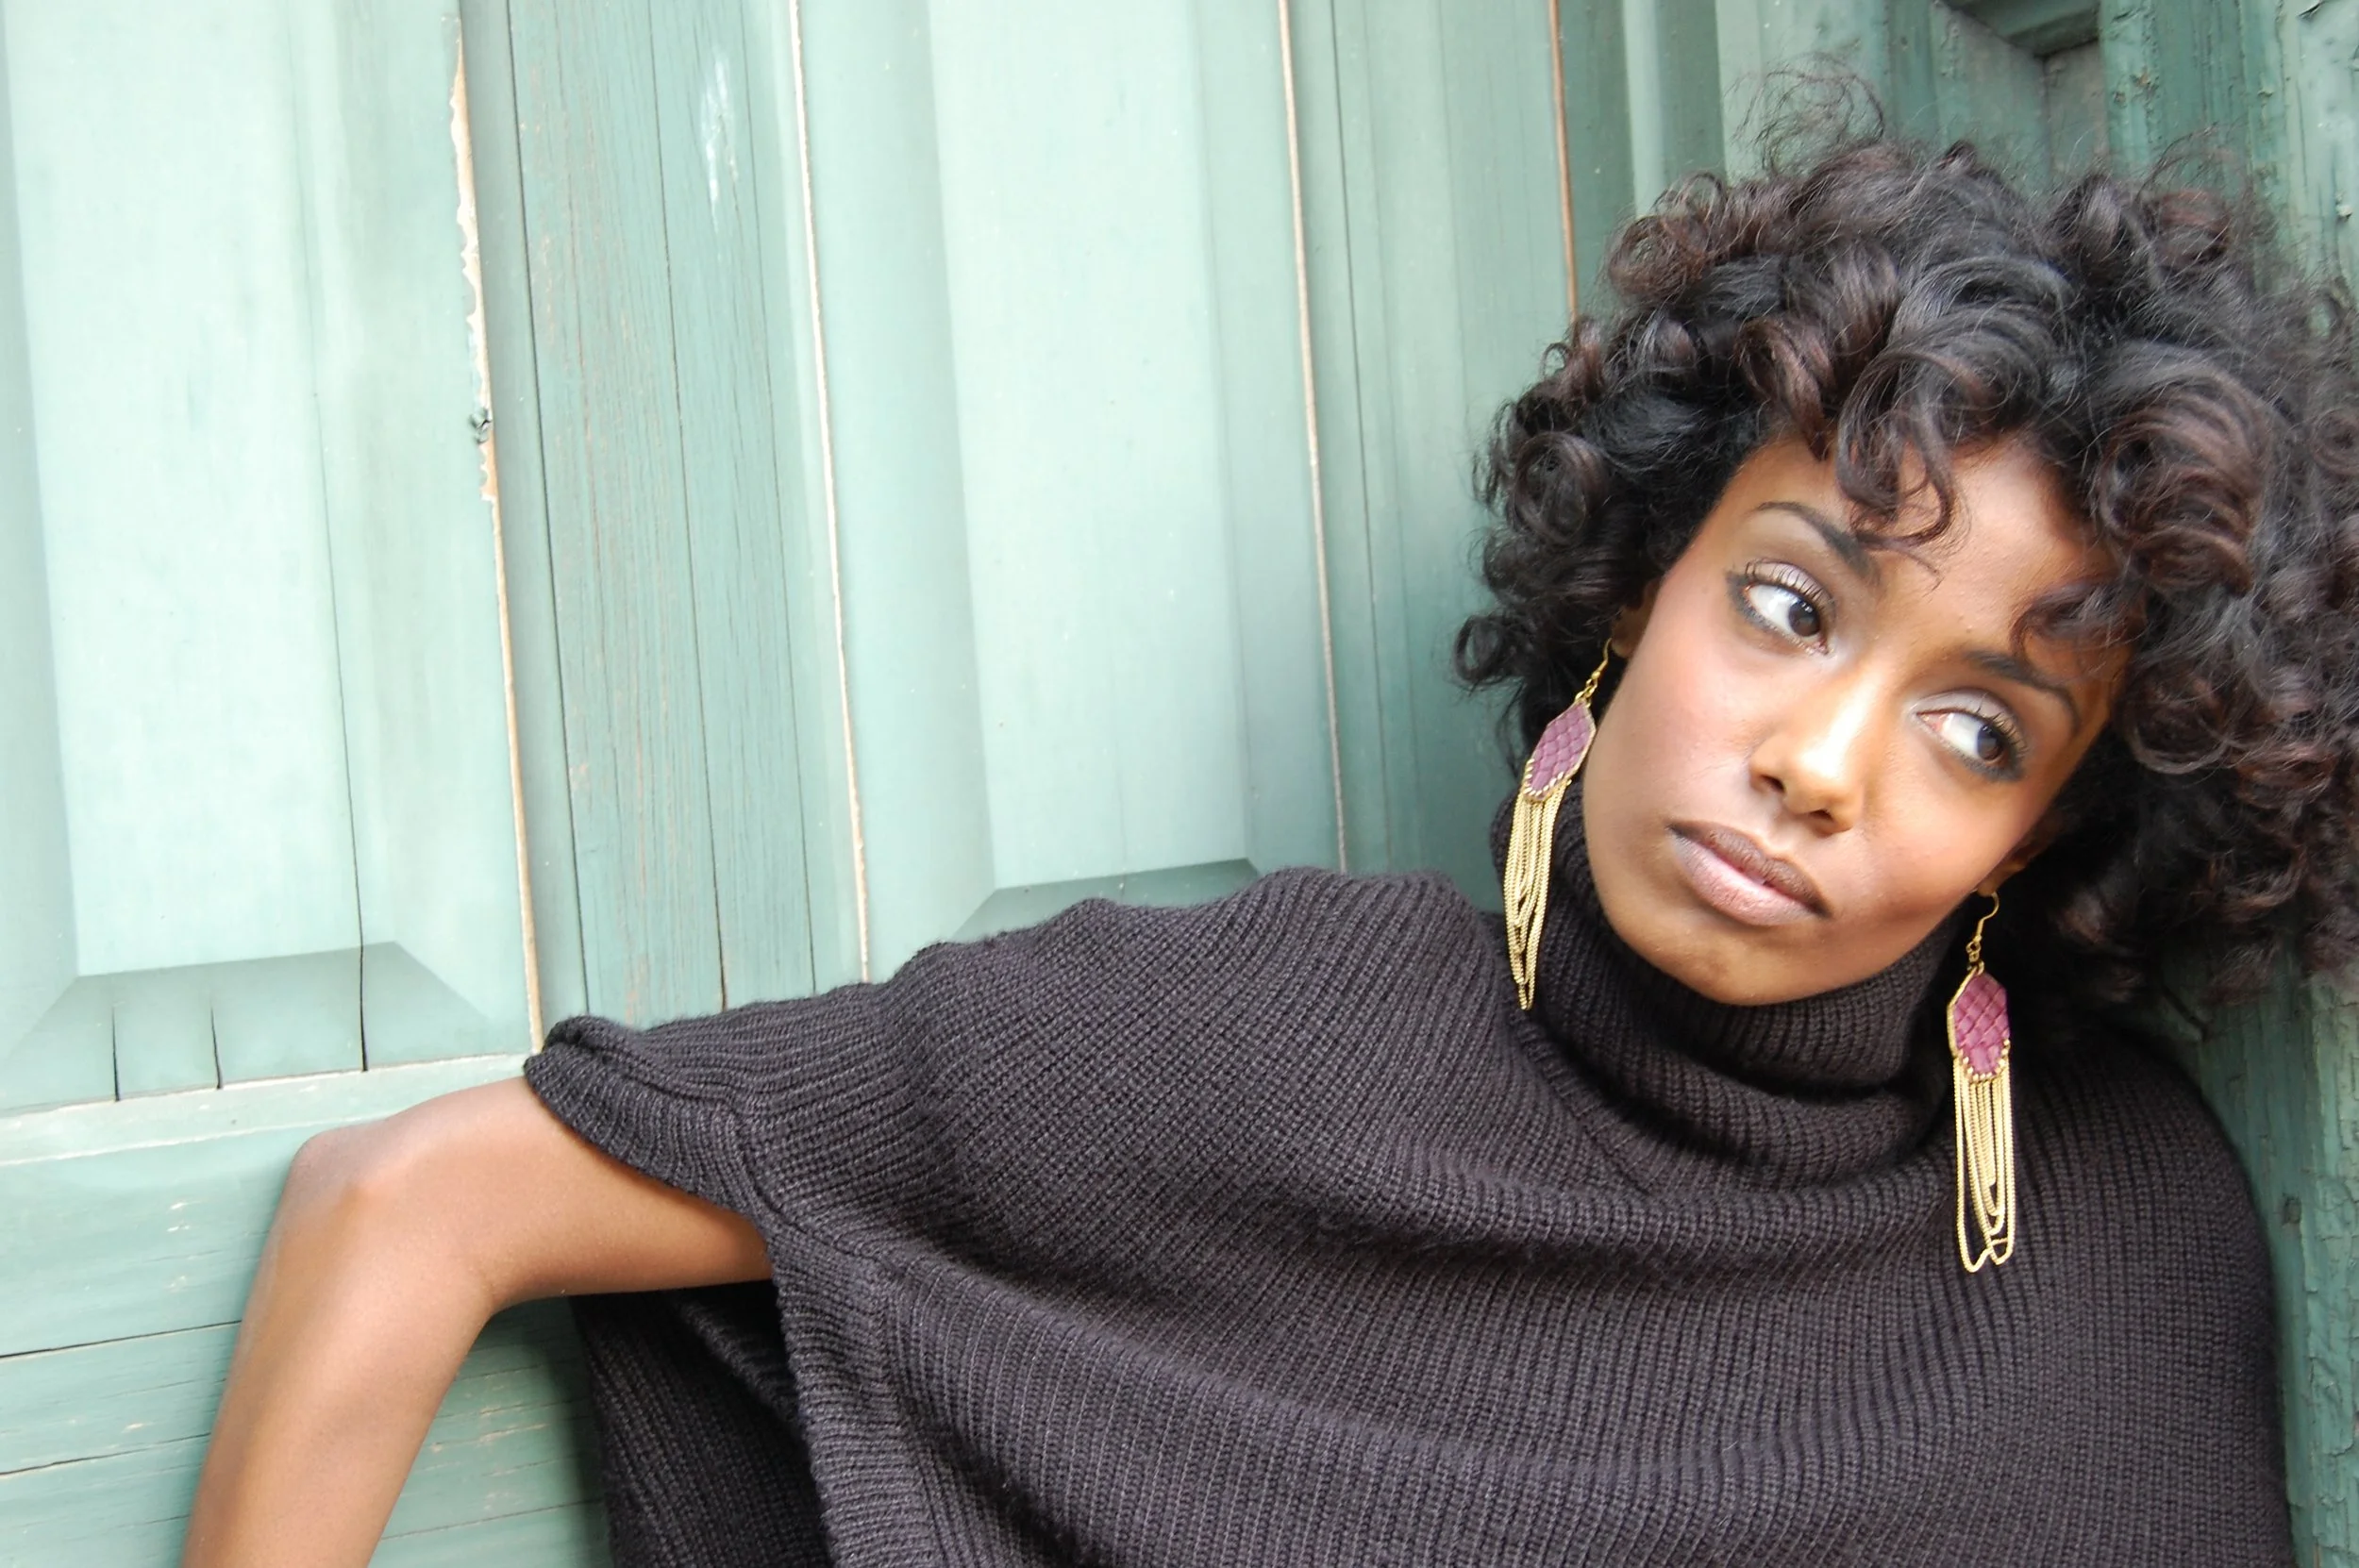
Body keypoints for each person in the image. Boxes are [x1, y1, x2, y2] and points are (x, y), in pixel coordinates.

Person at [183, 127, 2359, 1567]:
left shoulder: (2124, 1228)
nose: (1818, 762)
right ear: (1640, 581)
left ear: (2042, 830)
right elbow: (403, 1204)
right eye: (1788, 607)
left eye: (1975, 729)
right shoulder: (1252, 1042)